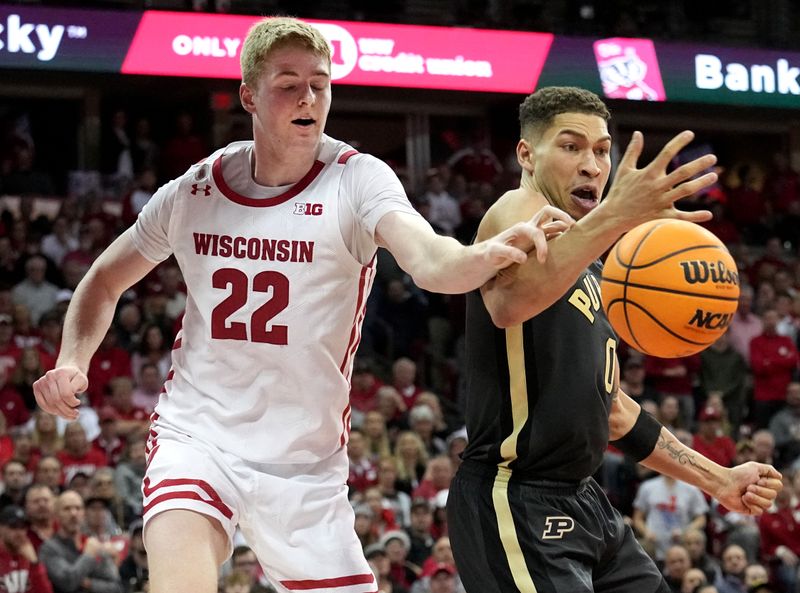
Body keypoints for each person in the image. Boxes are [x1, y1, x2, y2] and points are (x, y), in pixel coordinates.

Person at [31, 17, 571, 593]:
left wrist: (486, 252)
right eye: (288, 83)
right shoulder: (197, 188)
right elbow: (103, 279)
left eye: (320, 82)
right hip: (199, 436)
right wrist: (72, 358)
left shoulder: (358, 180)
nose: (308, 97)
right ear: (249, 95)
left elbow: (433, 263)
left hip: (306, 465)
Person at [446, 86, 784, 593]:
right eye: (571, 146)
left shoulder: (593, 265)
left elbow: (612, 411)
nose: (592, 165)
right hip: (513, 496)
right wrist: (618, 217)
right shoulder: (516, 210)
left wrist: (718, 480)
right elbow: (508, 303)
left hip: (584, 501)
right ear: (526, 154)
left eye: (602, 150)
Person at [0, 505, 53, 593]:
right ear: (1, 528)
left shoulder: (30, 555)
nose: (20, 533)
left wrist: (35, 563)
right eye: (14, 527)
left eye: (23, 527)